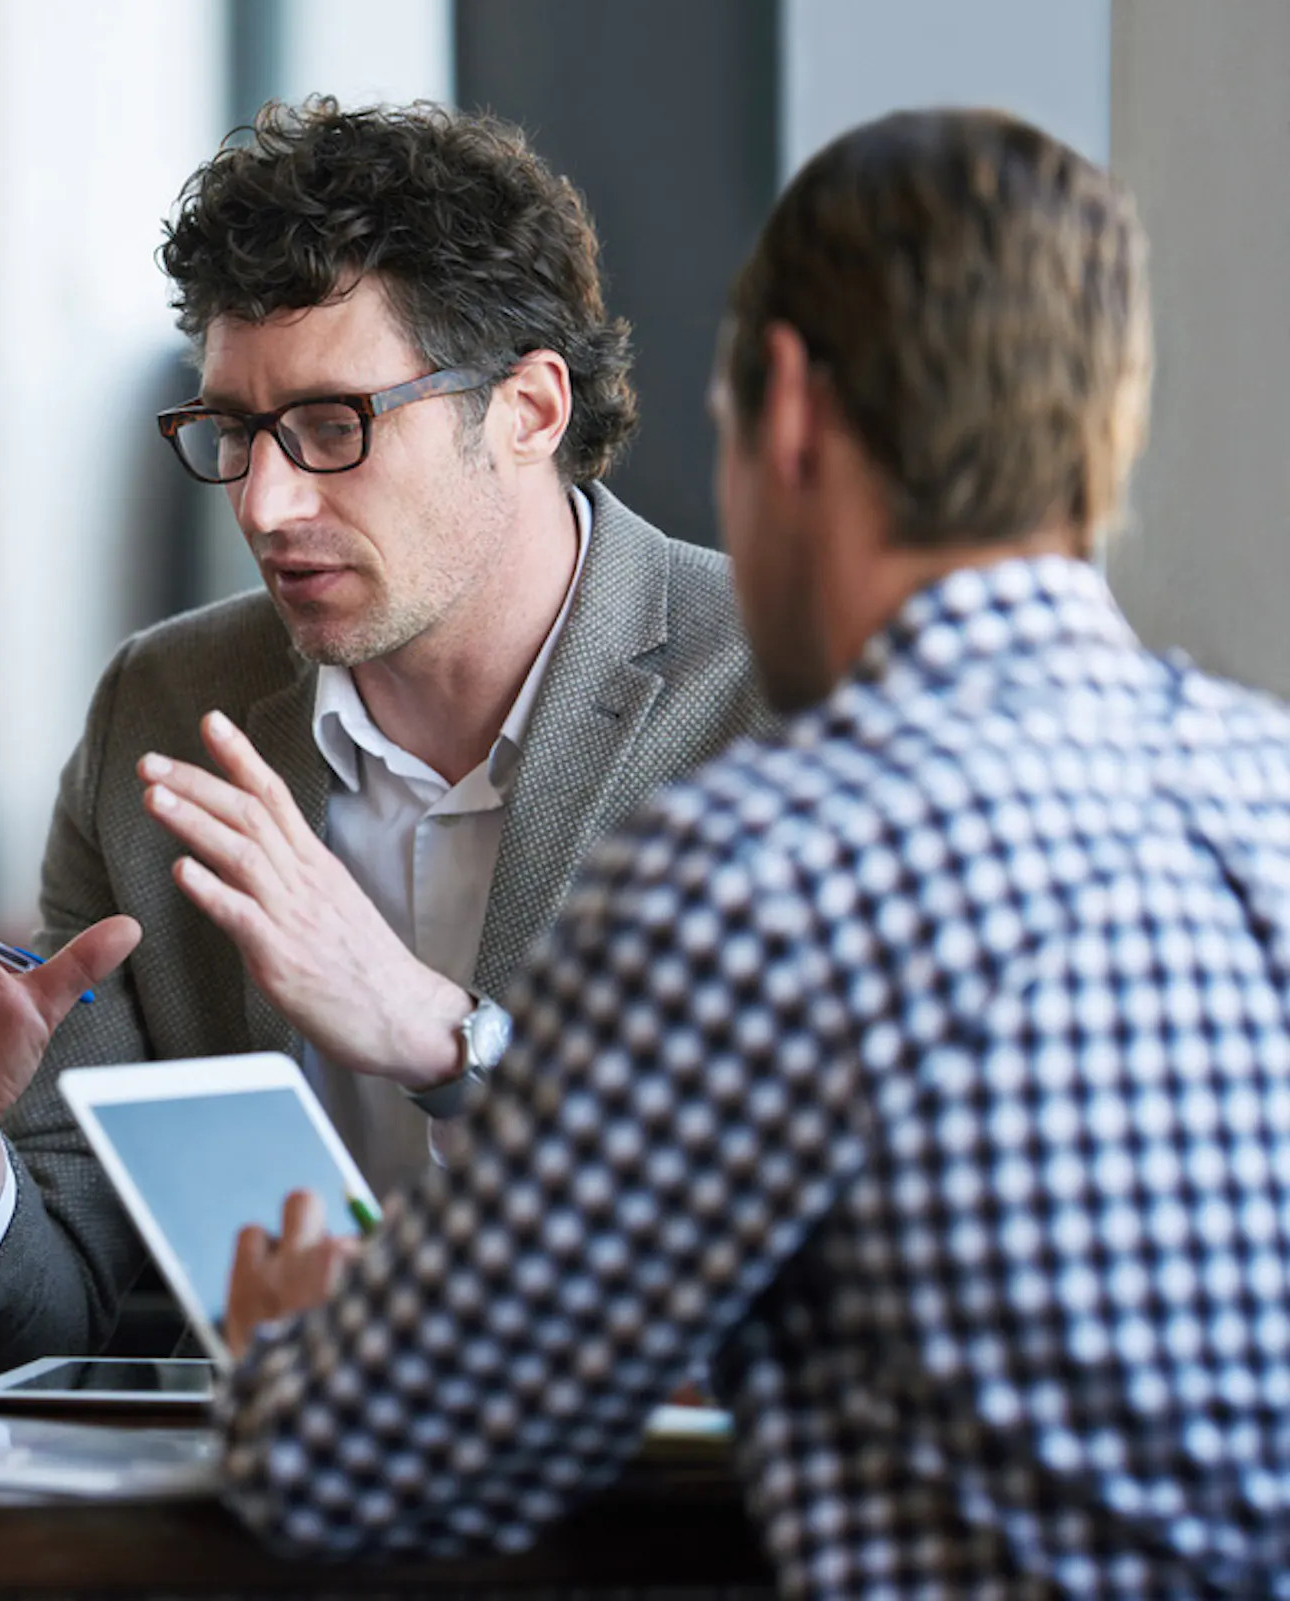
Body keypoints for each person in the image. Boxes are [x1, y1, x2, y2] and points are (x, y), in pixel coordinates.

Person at [217, 108, 1290, 1588]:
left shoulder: (768, 874)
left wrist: (288, 1349)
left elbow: (367, 1465)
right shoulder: (1269, 794)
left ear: (784, 409)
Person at [0, 99, 762, 1363]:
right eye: (233, 430)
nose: (266, 502)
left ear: (527, 410)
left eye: (334, 426)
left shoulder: (772, 695)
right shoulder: (165, 715)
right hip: (273, 1512)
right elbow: (62, 1303)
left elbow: (811, 1241)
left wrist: (444, 1041)